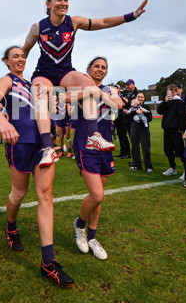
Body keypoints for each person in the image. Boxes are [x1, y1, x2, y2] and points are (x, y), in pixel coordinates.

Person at [21, 0, 148, 167]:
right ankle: (47, 148)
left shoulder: (74, 22)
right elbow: (24, 52)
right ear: (48, 4)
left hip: (66, 73)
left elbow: (103, 22)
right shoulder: (38, 27)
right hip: (44, 74)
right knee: (40, 93)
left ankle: (93, 136)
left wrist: (131, 16)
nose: (63, 3)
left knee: (88, 84)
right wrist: (16, 77)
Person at [0, 46, 74, 287]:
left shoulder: (35, 84)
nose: (20, 59)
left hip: (43, 145)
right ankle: (11, 227)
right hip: (20, 143)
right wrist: (3, 122)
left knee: (45, 195)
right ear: (6, 61)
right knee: (19, 193)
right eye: (15, 56)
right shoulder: (8, 80)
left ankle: (48, 262)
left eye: (23, 56)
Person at [71, 57, 124, 261]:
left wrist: (100, 92)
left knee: (99, 195)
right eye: (97, 66)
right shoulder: (80, 87)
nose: (100, 70)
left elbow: (118, 105)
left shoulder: (110, 90)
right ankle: (80, 225)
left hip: (106, 145)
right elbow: (64, 99)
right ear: (89, 69)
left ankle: (92, 238)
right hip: (86, 145)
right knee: (97, 195)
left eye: (104, 67)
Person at [157, 84, 186, 176]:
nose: (170, 93)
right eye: (168, 90)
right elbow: (159, 111)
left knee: (180, 150)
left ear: (176, 91)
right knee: (167, 149)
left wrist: (180, 128)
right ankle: (172, 167)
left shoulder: (179, 102)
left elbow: (182, 116)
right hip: (167, 129)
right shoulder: (167, 102)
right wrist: (165, 101)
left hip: (176, 130)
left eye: (172, 90)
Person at [128, 93, 154, 172]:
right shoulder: (132, 107)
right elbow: (127, 117)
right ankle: (137, 165)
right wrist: (136, 112)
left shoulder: (146, 107)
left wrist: (142, 113)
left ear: (144, 98)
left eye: (142, 97)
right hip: (134, 128)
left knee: (146, 148)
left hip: (144, 129)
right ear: (136, 98)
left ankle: (148, 166)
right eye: (138, 97)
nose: (140, 98)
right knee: (135, 147)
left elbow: (150, 118)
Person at [115, 80, 139, 159]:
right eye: (126, 85)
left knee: (133, 138)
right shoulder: (125, 93)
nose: (127, 86)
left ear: (133, 85)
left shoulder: (137, 93)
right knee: (122, 136)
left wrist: (128, 102)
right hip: (123, 118)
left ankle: (134, 156)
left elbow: (137, 105)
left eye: (129, 85)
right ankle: (124, 152)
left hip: (132, 118)